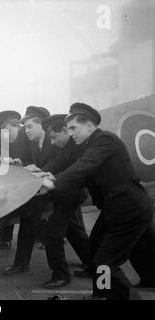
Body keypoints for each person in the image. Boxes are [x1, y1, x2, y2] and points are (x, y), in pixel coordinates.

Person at [40, 102, 155, 299]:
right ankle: (104, 293)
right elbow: (84, 175)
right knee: (100, 252)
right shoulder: (89, 145)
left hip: (129, 209)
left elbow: (86, 165)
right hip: (117, 209)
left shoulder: (105, 140)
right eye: (68, 129)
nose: (71, 133)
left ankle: (121, 296)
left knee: (103, 262)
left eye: (74, 128)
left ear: (90, 126)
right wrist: (53, 178)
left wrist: (57, 183)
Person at [29, 114, 91, 288]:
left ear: (64, 131)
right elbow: (57, 161)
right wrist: (42, 172)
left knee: (52, 233)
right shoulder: (65, 146)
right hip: (67, 193)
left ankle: (61, 275)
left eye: (55, 137)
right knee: (73, 230)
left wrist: (51, 179)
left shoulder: (78, 146)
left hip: (72, 193)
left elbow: (74, 171)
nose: (53, 142)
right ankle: (91, 265)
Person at [3, 106, 55, 275]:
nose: (26, 131)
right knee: (28, 219)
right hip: (42, 189)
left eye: (30, 127)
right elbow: (31, 164)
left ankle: (87, 264)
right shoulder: (33, 143)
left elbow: (58, 166)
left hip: (58, 189)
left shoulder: (53, 142)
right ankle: (21, 264)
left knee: (69, 232)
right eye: (24, 127)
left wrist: (38, 170)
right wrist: (21, 165)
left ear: (43, 126)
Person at [0, 110, 30, 250]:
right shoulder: (8, 141)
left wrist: (21, 164)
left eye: (8, 130)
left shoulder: (28, 138)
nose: (5, 134)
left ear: (17, 126)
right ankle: (4, 240)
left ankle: (41, 239)